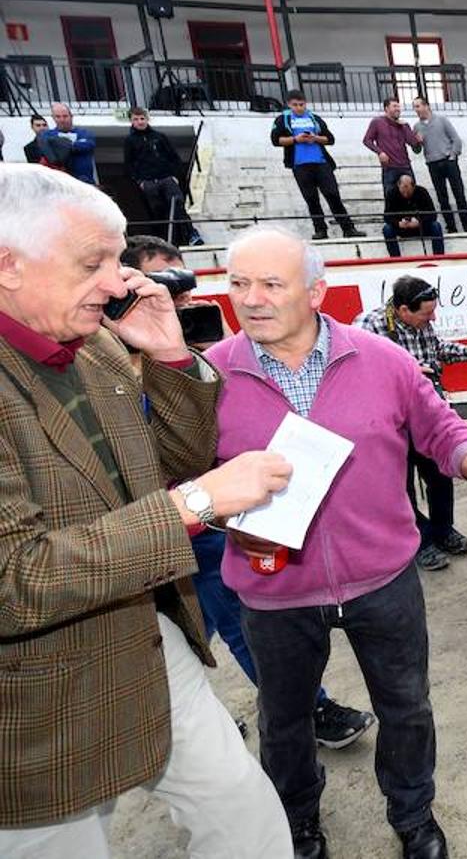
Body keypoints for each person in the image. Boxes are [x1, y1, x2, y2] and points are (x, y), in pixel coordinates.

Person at [208, 225, 467, 859]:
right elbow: (181, 476)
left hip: (382, 581)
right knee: (283, 722)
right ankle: (299, 823)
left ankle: (414, 816)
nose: (251, 299)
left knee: (407, 708)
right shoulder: (208, 378)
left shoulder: (381, 358)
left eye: (271, 284)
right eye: (239, 284)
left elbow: (441, 428)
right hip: (273, 591)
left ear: (315, 291)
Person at [0, 164, 292, 857]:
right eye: (94, 261)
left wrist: (169, 360)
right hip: (33, 697)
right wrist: (194, 505)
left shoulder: (96, 344)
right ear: (9, 265)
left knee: (243, 816)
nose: (119, 280)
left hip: (146, 631)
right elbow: (14, 580)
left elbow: (176, 462)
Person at [120, 235, 377, 749]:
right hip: (147, 530)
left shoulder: (199, 360)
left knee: (232, 623)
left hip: (216, 529)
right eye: (160, 288)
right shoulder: (102, 361)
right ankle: (193, 720)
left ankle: (309, 707)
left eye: (183, 286)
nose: (177, 303)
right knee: (180, 634)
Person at [354, 274, 467, 566]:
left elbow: (437, 350)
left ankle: (443, 531)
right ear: (403, 310)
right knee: (401, 486)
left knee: (440, 476)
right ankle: (420, 543)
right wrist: (406, 374)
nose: (432, 318)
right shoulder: (367, 327)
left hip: (425, 415)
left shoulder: (420, 323)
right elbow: (355, 374)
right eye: (427, 313)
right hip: (391, 422)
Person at [271, 90, 364, 241]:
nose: (299, 108)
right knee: (311, 198)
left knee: (333, 195)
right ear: (289, 105)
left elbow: (330, 139)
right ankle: (320, 230)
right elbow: (276, 140)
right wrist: (296, 139)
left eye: (302, 104)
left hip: (321, 163)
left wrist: (315, 138)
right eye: (295, 105)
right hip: (300, 164)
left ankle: (348, 228)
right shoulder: (283, 119)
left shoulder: (314, 118)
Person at [123, 107, 204, 246]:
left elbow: (173, 157)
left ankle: (191, 235)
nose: (140, 122)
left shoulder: (159, 137)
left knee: (177, 205)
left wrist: (174, 176)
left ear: (147, 119)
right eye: (136, 119)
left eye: (142, 118)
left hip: (166, 178)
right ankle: (164, 242)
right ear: (131, 121)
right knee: (157, 211)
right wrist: (140, 181)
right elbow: (129, 164)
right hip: (148, 182)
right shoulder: (129, 141)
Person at [412, 96, 467, 234]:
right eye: (415, 107)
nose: (416, 110)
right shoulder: (416, 127)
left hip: (448, 160)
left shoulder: (442, 120)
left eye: (418, 106)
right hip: (432, 164)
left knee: (459, 194)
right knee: (442, 197)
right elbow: (416, 150)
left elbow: (456, 139)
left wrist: (452, 156)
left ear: (426, 106)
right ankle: (451, 227)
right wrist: (417, 143)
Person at [363, 97, 421, 194]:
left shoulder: (403, 125)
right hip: (389, 168)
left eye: (398, 106)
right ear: (386, 108)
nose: (398, 109)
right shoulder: (377, 122)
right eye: (394, 106)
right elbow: (367, 140)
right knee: (390, 197)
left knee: (412, 196)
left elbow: (415, 146)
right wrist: (380, 152)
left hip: (405, 167)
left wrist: (407, 127)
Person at [382, 174, 444, 258]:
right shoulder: (392, 193)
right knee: (387, 229)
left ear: (413, 186)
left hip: (420, 226)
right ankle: (396, 259)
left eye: (408, 191)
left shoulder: (422, 192)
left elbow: (432, 214)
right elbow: (387, 216)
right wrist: (398, 223)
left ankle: (439, 257)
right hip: (402, 228)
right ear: (398, 185)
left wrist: (419, 222)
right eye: (403, 190)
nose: (406, 193)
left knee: (436, 226)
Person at [49, 102, 96, 184]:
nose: (62, 120)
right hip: (61, 182)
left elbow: (88, 145)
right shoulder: (49, 135)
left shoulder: (85, 133)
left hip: (84, 181)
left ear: (71, 116)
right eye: (58, 117)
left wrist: (64, 145)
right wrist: (75, 144)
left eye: (65, 116)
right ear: (53, 118)